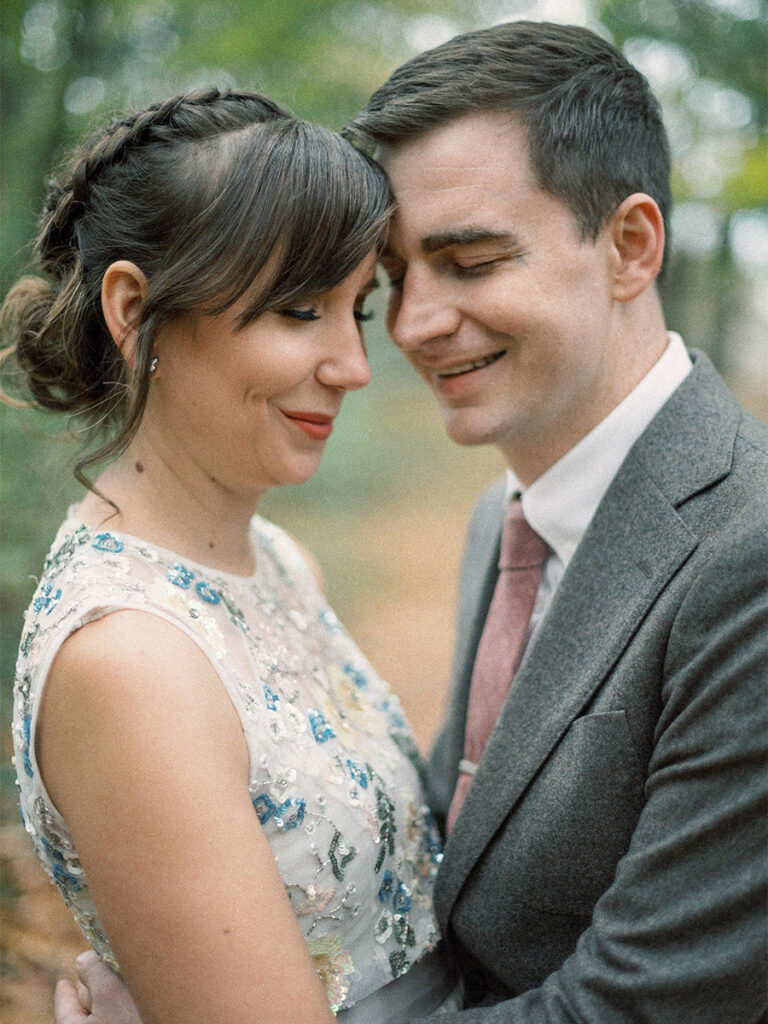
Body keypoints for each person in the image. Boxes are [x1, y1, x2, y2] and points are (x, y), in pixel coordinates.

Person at [55, 20, 768, 1024]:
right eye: (395, 280)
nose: (410, 326)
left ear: (631, 247)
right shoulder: (505, 526)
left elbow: (641, 1008)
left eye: (470, 264)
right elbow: (459, 863)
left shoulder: (747, 555)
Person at [5, 88, 462, 1023]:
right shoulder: (129, 662)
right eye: (299, 311)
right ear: (135, 312)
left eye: (357, 312)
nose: (353, 366)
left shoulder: (281, 561)